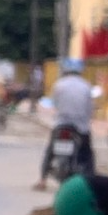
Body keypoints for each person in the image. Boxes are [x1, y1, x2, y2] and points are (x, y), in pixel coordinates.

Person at [34, 58, 96, 191]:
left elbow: (54, 103)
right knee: (87, 154)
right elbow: (89, 109)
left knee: (50, 152)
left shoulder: (59, 85)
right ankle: (92, 184)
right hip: (81, 127)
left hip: (61, 124)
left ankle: (42, 180)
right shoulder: (86, 86)